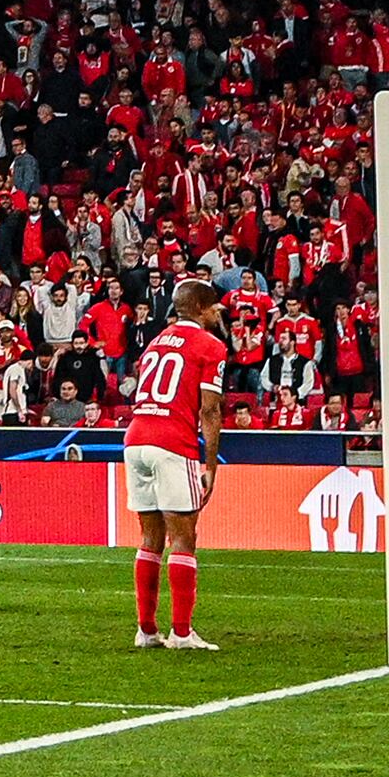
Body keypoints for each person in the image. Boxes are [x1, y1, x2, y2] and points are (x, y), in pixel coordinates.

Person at [121, 272, 232, 650]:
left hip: (136, 438)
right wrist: (211, 464)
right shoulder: (210, 345)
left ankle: (146, 630)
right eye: (214, 305)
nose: (219, 311)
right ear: (200, 309)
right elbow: (210, 410)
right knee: (184, 537)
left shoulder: (154, 342)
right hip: (172, 441)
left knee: (150, 537)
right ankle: (182, 633)